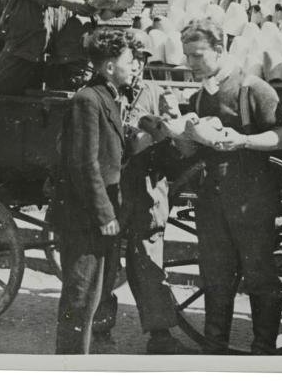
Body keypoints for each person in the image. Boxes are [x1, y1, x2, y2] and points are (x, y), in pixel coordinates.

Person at [179, 18, 282, 355]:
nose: (191, 63)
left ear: (219, 50)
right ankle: (214, 349)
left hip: (251, 199)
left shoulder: (252, 89)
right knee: (214, 275)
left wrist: (243, 140)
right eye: (187, 56)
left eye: (197, 55)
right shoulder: (200, 98)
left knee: (259, 275)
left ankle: (263, 352)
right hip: (211, 199)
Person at [95, 29, 196, 354]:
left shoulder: (155, 92)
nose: (137, 66)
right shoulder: (102, 93)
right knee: (105, 264)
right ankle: (98, 334)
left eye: (142, 60)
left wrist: (167, 130)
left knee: (148, 262)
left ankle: (161, 336)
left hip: (148, 190)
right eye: (132, 59)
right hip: (113, 190)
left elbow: (176, 140)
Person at [54, 28, 138, 354]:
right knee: (80, 297)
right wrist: (105, 215)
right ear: (109, 67)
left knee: (95, 293)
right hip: (83, 216)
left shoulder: (110, 97)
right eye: (129, 62)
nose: (135, 67)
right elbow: (84, 165)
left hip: (100, 212)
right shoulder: (87, 101)